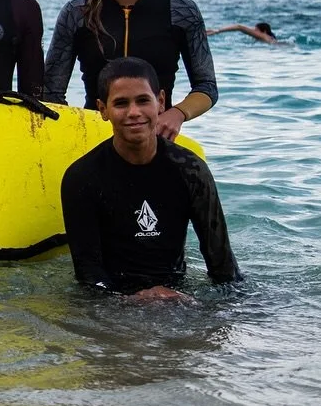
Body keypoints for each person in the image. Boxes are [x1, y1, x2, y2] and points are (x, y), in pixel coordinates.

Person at [60, 57, 242, 298]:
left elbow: (224, 269)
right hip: (113, 300)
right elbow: (89, 278)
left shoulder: (191, 171)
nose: (134, 112)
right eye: (121, 103)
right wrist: (130, 302)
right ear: (103, 110)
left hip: (177, 293)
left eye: (143, 100)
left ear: (161, 102)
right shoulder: (81, 177)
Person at [43, 0, 217, 140]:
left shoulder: (181, 12)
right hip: (95, 141)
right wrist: (78, 132)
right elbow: (51, 92)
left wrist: (178, 114)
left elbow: (206, 87)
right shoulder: (77, 14)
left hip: (157, 141)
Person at [206, 22, 277, 45]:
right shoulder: (269, 38)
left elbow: (239, 27)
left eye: (256, 30)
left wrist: (217, 31)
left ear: (264, 31)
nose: (253, 31)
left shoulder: (263, 36)